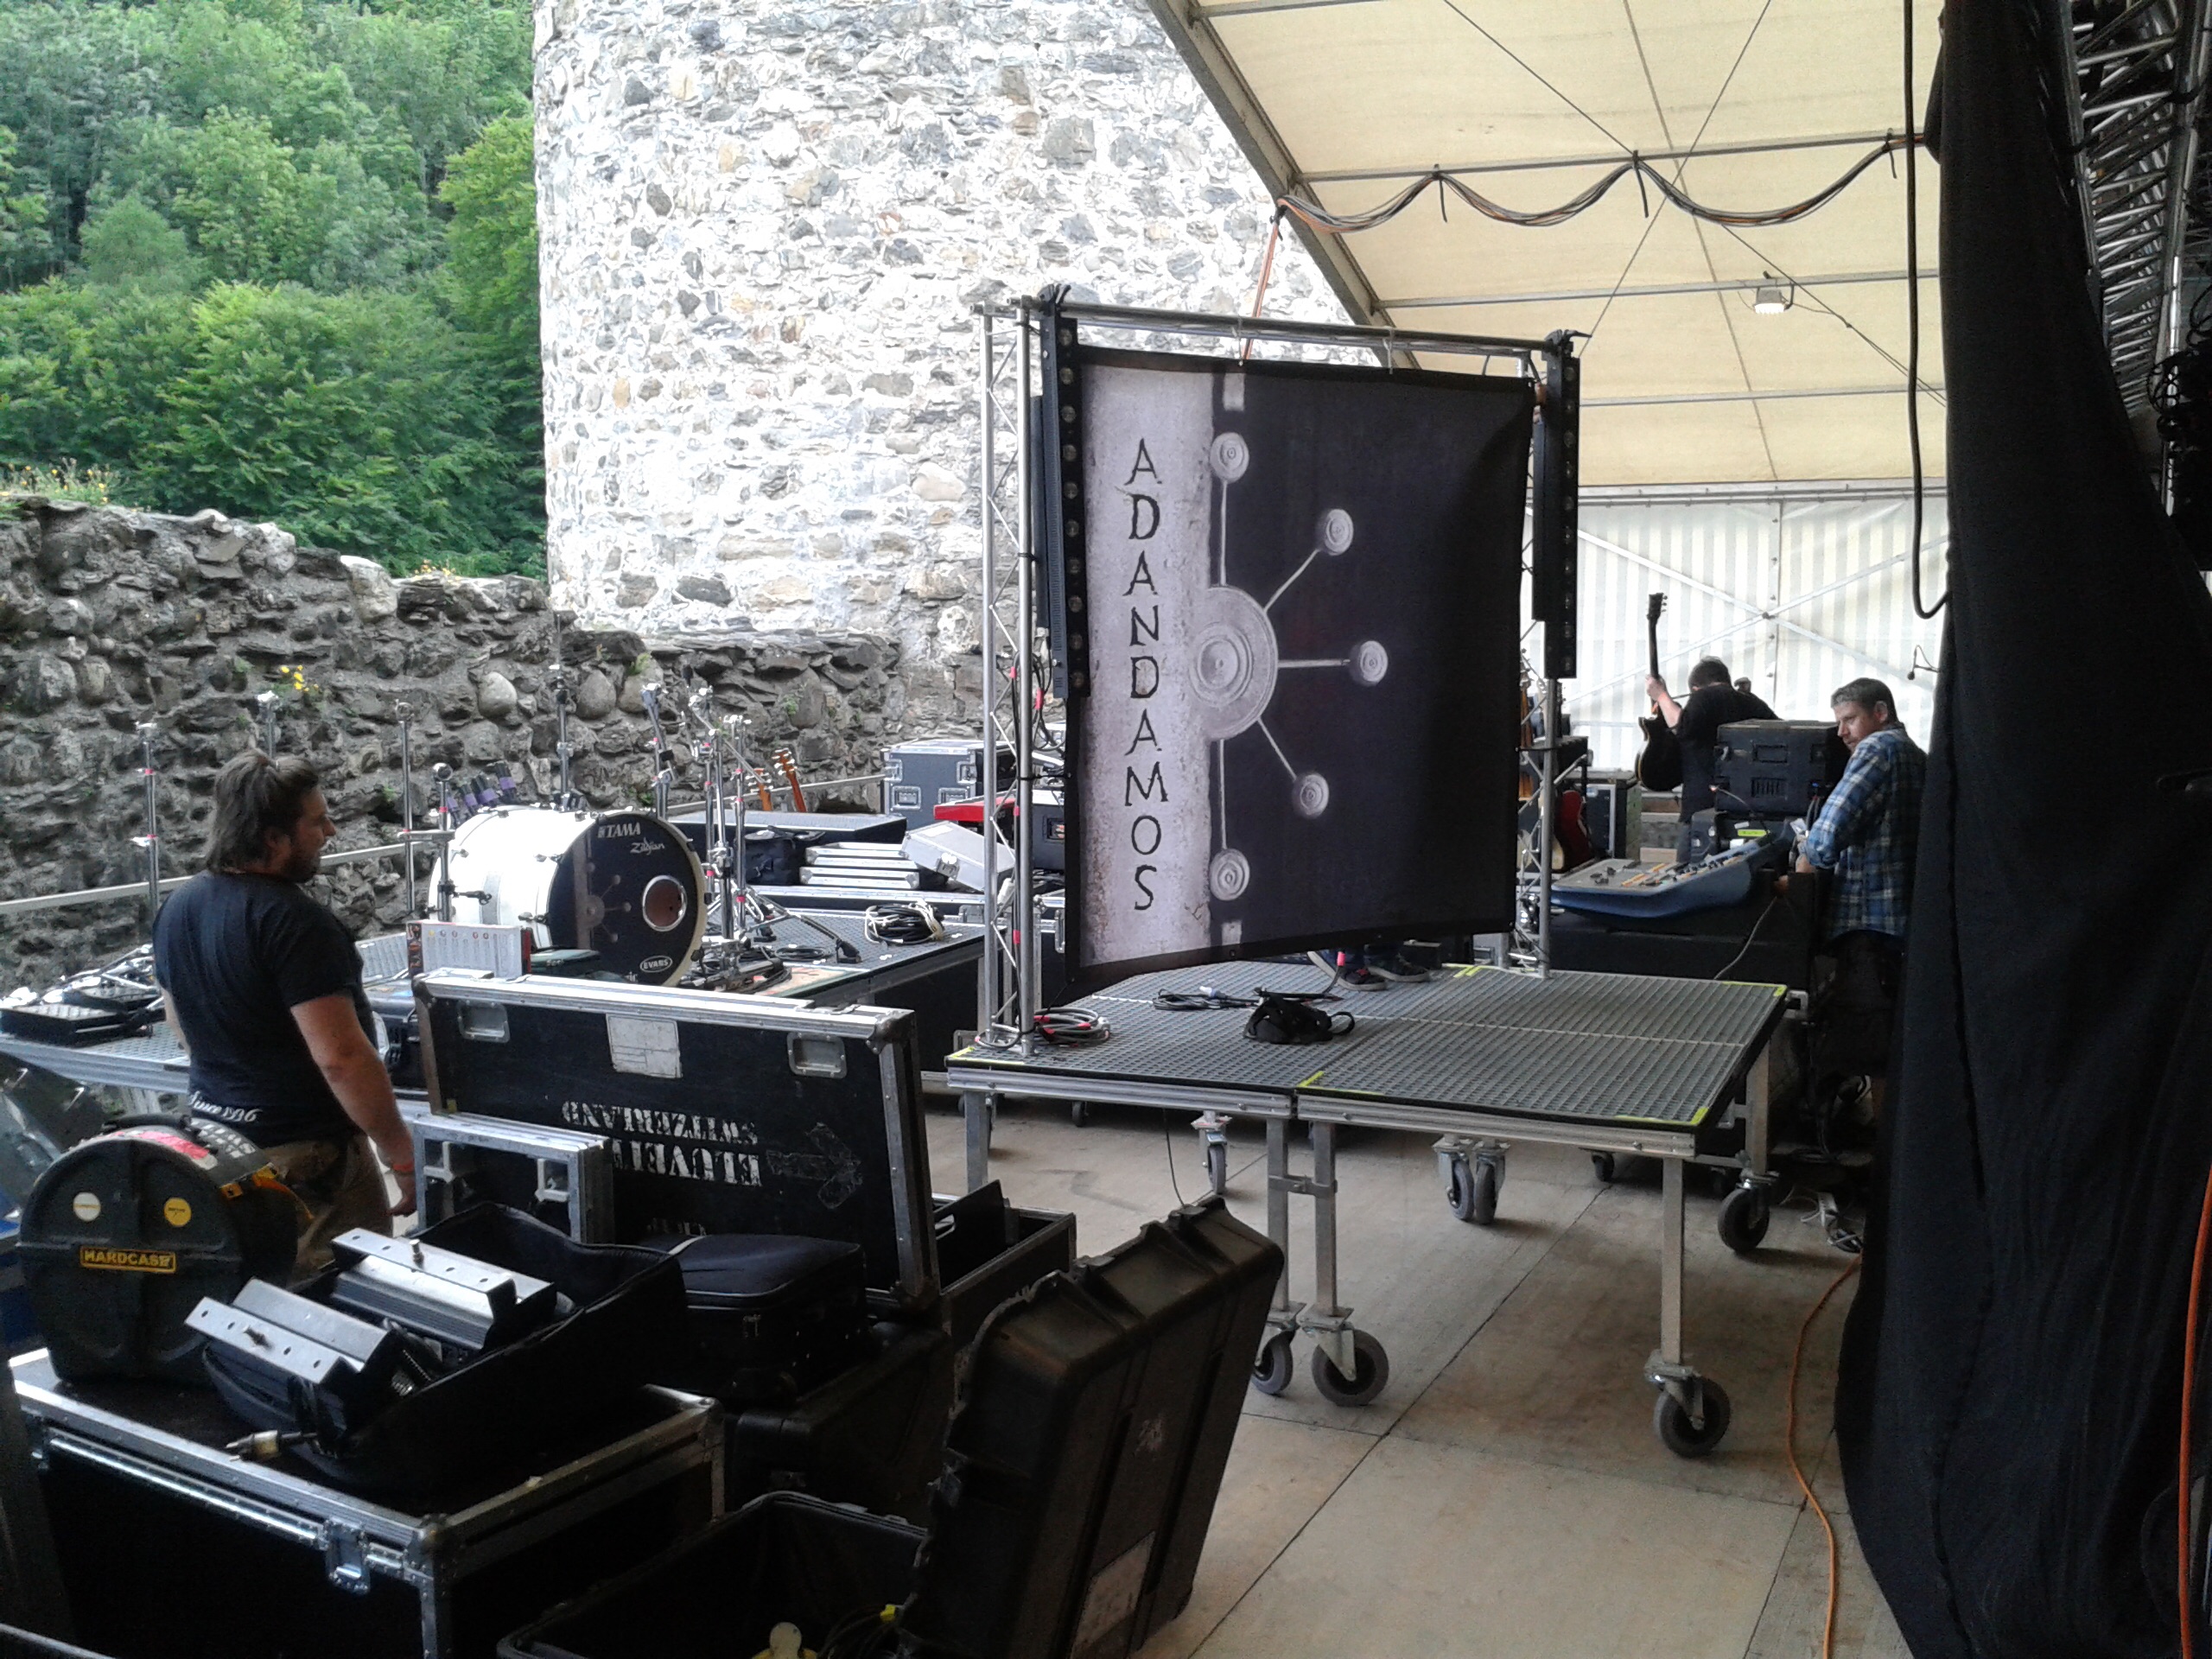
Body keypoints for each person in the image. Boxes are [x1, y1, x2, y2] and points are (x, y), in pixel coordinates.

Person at [154, 753, 416, 1274]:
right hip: (307, 1159)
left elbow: (180, 1024)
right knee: (336, 1302)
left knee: (258, 1297)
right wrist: (400, 1152)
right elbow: (341, 1058)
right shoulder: (296, 922)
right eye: (317, 822)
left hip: (218, 1146)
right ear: (274, 839)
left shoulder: (178, 907)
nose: (330, 832)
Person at [1794, 677, 1927, 1090]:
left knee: (1870, 1049)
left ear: (1880, 713)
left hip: (1868, 925)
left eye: (1850, 719)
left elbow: (1826, 836)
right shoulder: (1915, 754)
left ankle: (1877, 1131)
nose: (1841, 732)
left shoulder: (1877, 749)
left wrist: (1801, 863)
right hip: (1900, 922)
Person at [1643, 657, 1777, 860]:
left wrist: (1661, 695)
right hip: (1746, 809)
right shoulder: (1752, 703)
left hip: (1702, 811)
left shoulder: (1704, 696)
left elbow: (1682, 726)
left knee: (1688, 870)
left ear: (1695, 689)